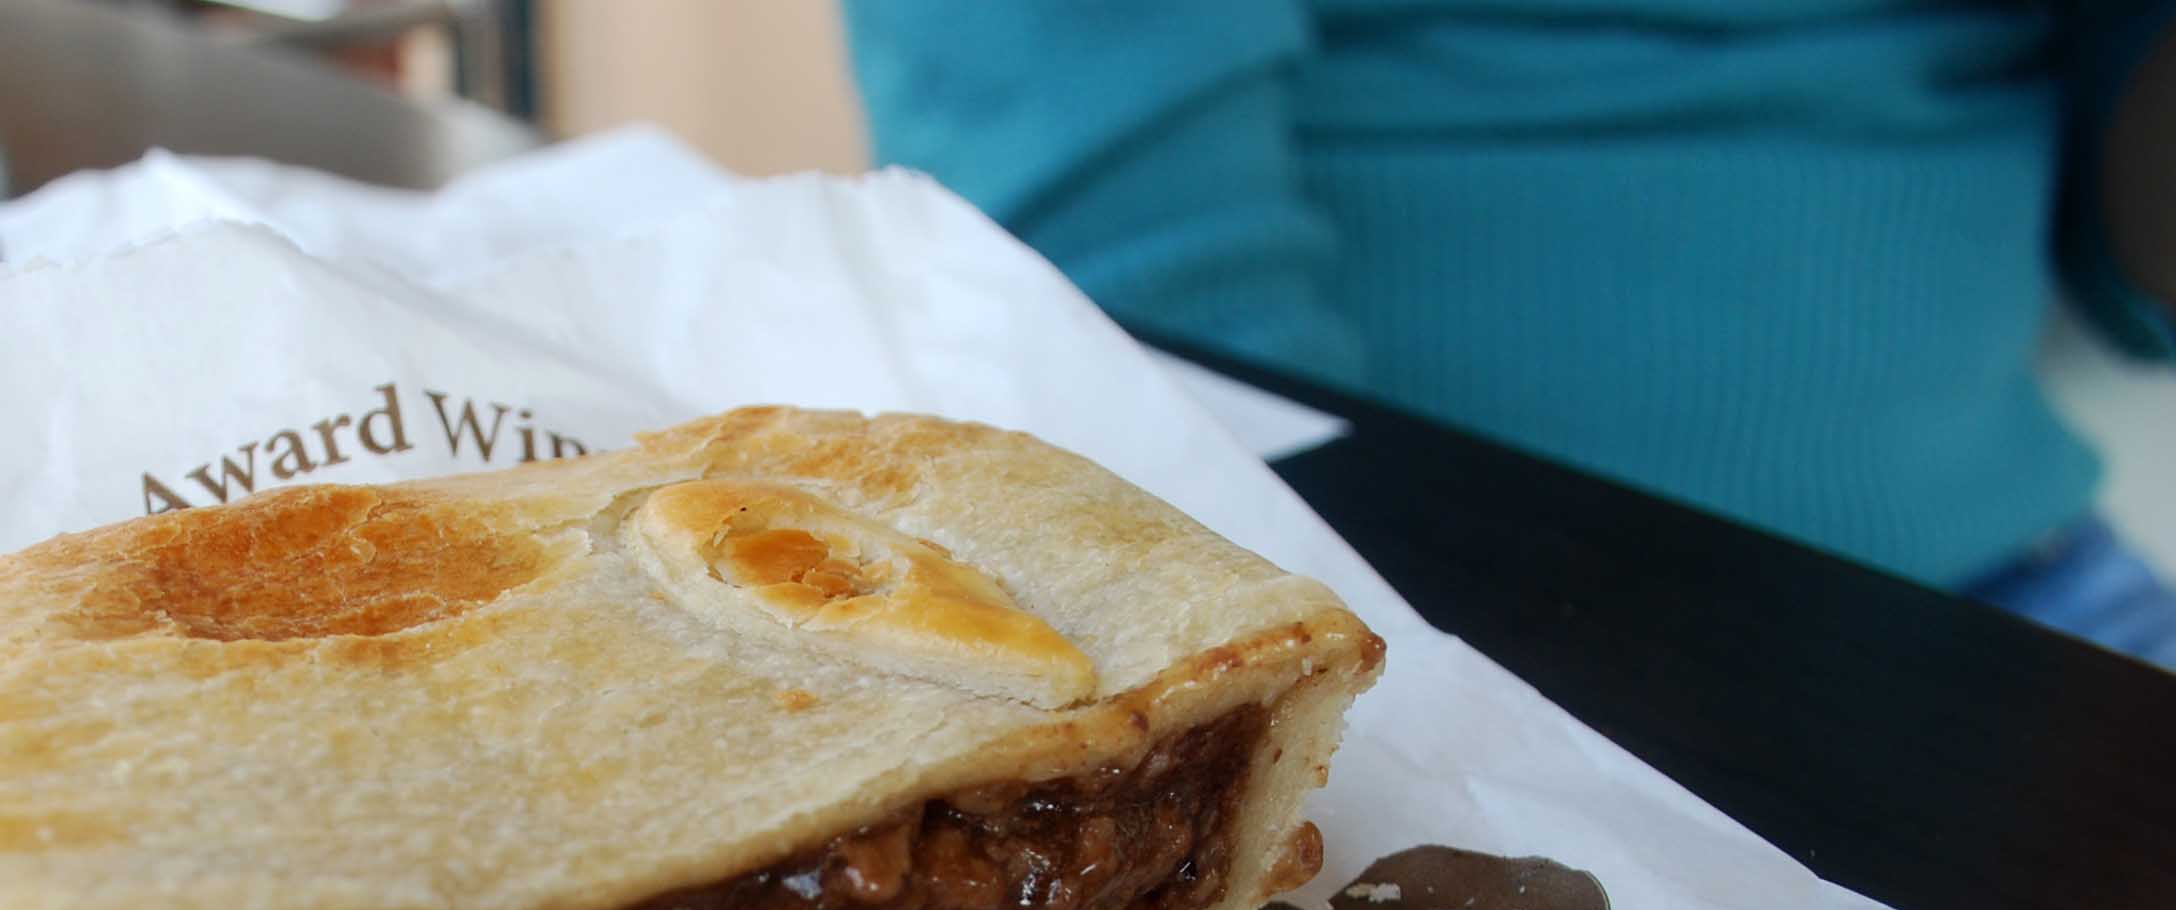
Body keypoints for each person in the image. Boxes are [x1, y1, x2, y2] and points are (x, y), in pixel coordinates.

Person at [839, 0, 2176, 668]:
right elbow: (1119, 254)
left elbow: (2139, 245)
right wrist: (1356, 655)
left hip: (2022, 591)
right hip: (1438, 641)